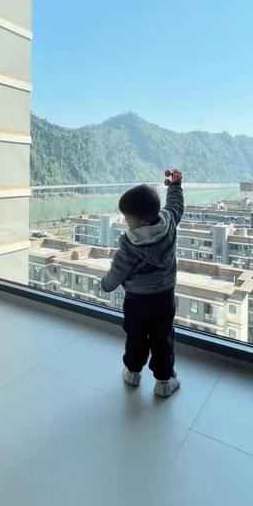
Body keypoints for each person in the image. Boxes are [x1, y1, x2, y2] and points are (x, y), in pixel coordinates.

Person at [100, 170, 184, 397]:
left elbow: (116, 273)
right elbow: (176, 205)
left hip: (136, 301)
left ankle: (132, 372)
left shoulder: (130, 247)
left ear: (143, 221)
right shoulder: (169, 222)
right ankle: (164, 382)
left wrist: (105, 285)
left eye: (128, 218)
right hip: (164, 297)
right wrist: (175, 186)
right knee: (163, 338)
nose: (126, 222)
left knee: (136, 336)